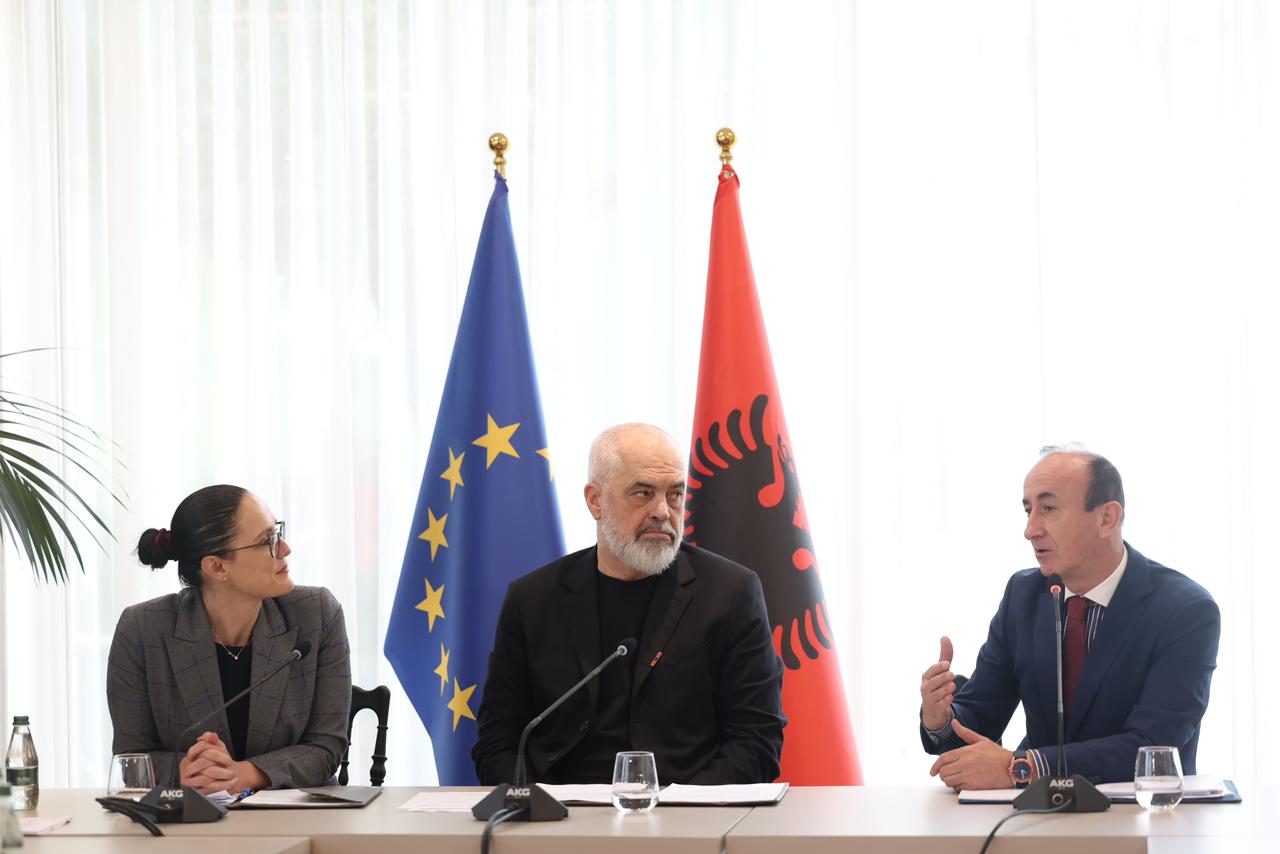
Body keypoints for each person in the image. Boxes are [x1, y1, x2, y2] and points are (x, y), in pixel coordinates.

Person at [472, 423, 785, 785]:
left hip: (685, 808)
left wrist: (677, 808)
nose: (662, 511)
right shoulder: (532, 599)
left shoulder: (730, 593)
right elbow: (497, 740)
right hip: (559, 807)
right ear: (595, 501)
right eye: (642, 493)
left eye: (675, 495)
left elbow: (757, 742)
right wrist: (537, 804)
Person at [920, 447, 1220, 789]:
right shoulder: (1023, 596)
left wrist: (1023, 766)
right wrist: (941, 718)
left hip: (1144, 812)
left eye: (1048, 509)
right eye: (1028, 511)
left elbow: (1153, 749)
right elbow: (980, 721)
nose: (1030, 529)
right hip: (1038, 813)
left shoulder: (1185, 610)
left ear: (1106, 518)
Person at [107, 485, 351, 793]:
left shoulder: (317, 614)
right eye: (267, 541)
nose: (285, 548)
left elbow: (326, 747)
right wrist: (185, 770)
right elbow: (131, 758)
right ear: (217, 566)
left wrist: (244, 774)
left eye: (277, 532)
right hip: (188, 816)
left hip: (295, 813)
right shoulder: (142, 629)